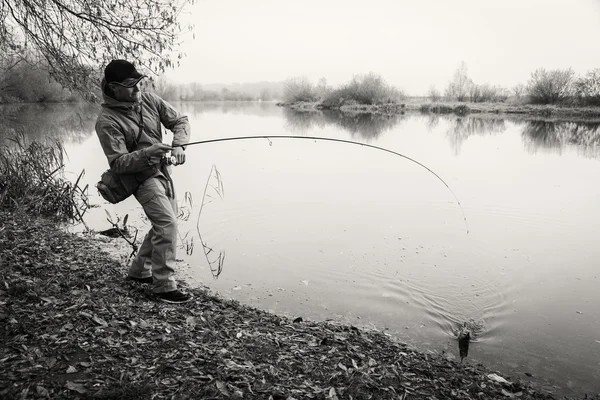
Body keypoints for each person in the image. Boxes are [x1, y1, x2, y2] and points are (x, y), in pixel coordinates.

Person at [95, 59, 192, 304]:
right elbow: (118, 164)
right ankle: (164, 286)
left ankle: (139, 272)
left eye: (139, 84)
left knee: (164, 222)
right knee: (167, 223)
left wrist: (179, 144)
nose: (138, 90)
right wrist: (150, 153)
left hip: (162, 172)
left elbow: (180, 121)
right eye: (131, 86)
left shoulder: (149, 100)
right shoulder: (107, 121)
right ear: (114, 88)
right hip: (139, 179)